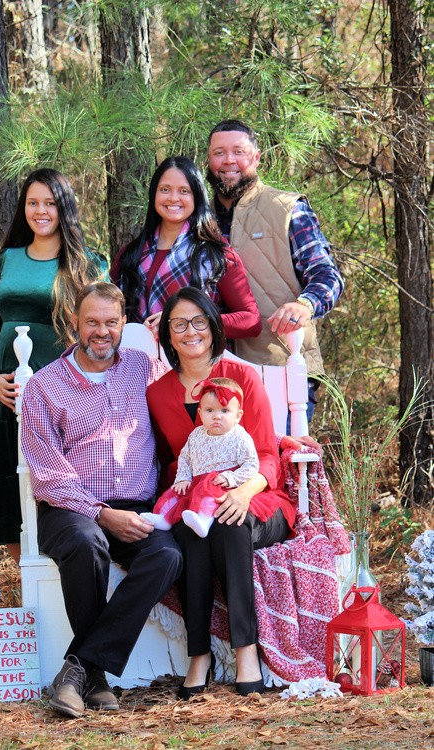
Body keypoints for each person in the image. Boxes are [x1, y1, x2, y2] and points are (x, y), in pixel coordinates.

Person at [20, 282, 183, 718]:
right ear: (75, 322)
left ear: (123, 323)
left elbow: (188, 404)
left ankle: (81, 669)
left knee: (167, 556)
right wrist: (102, 514)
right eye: (91, 321)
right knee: (86, 541)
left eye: (111, 322)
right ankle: (95, 676)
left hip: (137, 506)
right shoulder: (45, 386)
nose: (101, 332)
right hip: (70, 508)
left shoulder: (144, 369)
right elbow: (49, 475)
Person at [146, 287, 299, 698]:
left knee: (230, 524)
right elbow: (170, 461)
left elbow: (266, 453)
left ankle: (246, 651)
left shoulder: (243, 378)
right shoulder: (158, 393)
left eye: (199, 321)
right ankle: (200, 655)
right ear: (167, 334)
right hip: (197, 499)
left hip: (257, 494)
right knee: (189, 533)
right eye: (179, 324)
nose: (190, 331)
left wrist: (244, 492)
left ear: (214, 327)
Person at [0, 168, 107, 561]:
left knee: (55, 477)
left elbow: (104, 330)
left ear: (64, 208)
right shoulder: (8, 259)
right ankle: (26, 580)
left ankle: (71, 568)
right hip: (8, 393)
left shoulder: (87, 262)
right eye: (32, 202)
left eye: (50, 203)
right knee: (11, 481)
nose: (40, 211)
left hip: (62, 393)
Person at [207, 119, 344, 420]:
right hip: (212, 379)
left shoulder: (288, 209)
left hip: (281, 369)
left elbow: (327, 276)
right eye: (219, 152)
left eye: (238, 152)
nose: (228, 160)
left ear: (256, 158)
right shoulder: (197, 218)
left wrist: (304, 305)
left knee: (284, 451)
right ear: (208, 159)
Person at [110, 155, 261, 342]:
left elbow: (251, 321)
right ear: (154, 194)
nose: (173, 198)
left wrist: (188, 322)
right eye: (165, 189)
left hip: (200, 359)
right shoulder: (130, 254)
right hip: (138, 358)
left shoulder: (217, 255)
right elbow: (110, 315)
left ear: (197, 196)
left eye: (184, 191)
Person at [141, 377, 260, 538]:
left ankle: (204, 520)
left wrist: (231, 478)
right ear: (200, 413)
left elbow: (251, 465)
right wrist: (183, 477)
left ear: (238, 416)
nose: (216, 416)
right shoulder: (197, 434)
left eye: (224, 411)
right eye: (209, 410)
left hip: (221, 483)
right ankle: (164, 518)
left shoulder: (240, 436)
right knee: (174, 493)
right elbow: (185, 458)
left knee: (209, 495)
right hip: (195, 482)